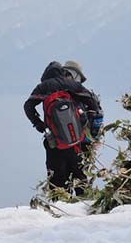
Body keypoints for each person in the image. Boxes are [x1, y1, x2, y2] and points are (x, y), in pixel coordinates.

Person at [23, 60, 103, 195]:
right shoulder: (71, 85)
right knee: (80, 178)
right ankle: (84, 207)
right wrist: (86, 122)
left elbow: (28, 106)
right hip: (77, 141)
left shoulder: (42, 87)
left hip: (54, 142)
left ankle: (59, 208)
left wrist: (40, 125)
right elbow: (92, 103)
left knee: (57, 183)